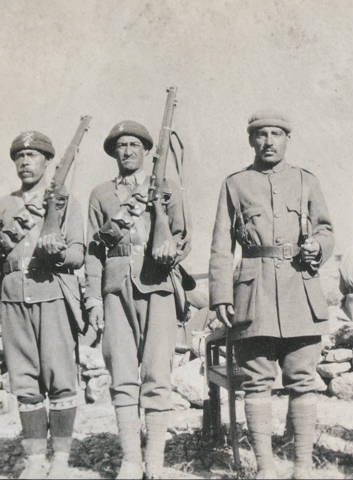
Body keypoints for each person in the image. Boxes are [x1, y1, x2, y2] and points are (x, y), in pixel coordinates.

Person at [209, 110, 334, 479]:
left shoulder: (306, 181)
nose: (268, 141)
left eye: (276, 133)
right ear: (251, 140)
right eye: (261, 134)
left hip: (300, 289)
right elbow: (220, 245)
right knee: (257, 381)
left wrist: (319, 248)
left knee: (302, 379)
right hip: (254, 293)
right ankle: (264, 468)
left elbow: (326, 230)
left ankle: (303, 467)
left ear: (286, 139)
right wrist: (220, 295)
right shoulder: (235, 184)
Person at [84, 121, 190, 479]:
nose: (127, 151)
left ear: (146, 150)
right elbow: (93, 253)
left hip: (157, 286)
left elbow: (183, 238)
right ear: (113, 152)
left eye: (134, 144)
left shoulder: (166, 189)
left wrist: (170, 249)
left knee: (157, 372)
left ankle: (155, 460)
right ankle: (131, 458)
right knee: (122, 373)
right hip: (115, 289)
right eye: (120, 146)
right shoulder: (101, 194)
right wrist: (94, 301)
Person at [0, 131, 84, 478]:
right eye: (19, 156)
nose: (25, 162)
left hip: (51, 294)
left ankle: (61, 458)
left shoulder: (66, 203)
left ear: (48, 162)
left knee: (60, 377)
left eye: (33, 155)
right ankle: (35, 458)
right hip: (12, 298)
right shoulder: (4, 205)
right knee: (24, 379)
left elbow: (79, 254)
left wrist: (59, 252)